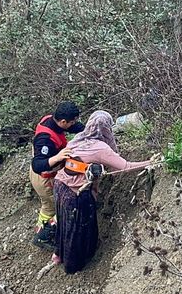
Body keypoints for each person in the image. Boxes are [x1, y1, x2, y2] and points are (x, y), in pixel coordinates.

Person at [52, 110, 154, 274]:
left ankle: (57, 255)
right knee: (78, 229)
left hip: (59, 186)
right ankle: (74, 265)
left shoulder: (77, 140)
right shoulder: (100, 148)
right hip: (76, 194)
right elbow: (125, 167)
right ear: (107, 128)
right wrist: (151, 162)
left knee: (64, 223)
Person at [30, 101, 84, 250]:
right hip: (44, 178)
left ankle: (42, 230)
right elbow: (37, 165)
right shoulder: (45, 139)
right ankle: (44, 237)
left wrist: (87, 131)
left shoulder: (51, 119)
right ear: (62, 121)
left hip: (48, 175)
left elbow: (74, 127)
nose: (74, 124)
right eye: (72, 122)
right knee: (55, 207)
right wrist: (58, 157)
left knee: (48, 206)